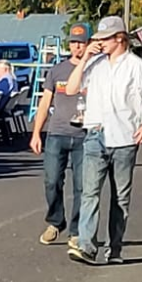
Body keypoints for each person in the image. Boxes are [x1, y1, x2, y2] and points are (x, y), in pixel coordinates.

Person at [64, 16, 142, 266]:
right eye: (98, 39)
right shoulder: (95, 64)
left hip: (124, 139)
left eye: (104, 39)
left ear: (119, 38)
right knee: (90, 193)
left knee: (120, 198)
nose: (100, 43)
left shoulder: (135, 66)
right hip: (95, 136)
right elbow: (71, 88)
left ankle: (115, 248)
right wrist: (85, 57)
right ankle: (87, 246)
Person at [30, 22, 91, 246]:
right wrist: (37, 133)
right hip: (57, 133)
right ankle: (56, 222)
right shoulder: (56, 71)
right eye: (74, 43)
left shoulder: (94, 69)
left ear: (89, 44)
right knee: (52, 180)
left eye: (81, 43)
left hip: (84, 136)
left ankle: (76, 230)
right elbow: (45, 102)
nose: (77, 47)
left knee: (82, 186)